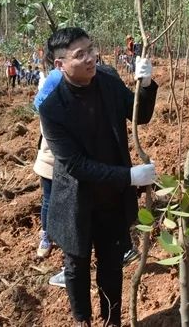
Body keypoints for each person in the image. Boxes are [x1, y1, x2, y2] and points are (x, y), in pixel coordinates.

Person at [38, 27, 158, 327]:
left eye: (91, 49)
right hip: (76, 202)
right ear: (60, 65)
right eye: (80, 55)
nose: (91, 58)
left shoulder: (107, 81)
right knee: (76, 265)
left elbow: (139, 115)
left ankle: (112, 320)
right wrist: (129, 176)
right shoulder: (52, 109)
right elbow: (76, 165)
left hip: (111, 200)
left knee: (111, 264)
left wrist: (145, 84)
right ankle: (82, 321)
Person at [32, 68, 60, 258]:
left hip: (72, 165)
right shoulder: (48, 108)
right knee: (49, 200)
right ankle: (47, 236)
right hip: (50, 161)